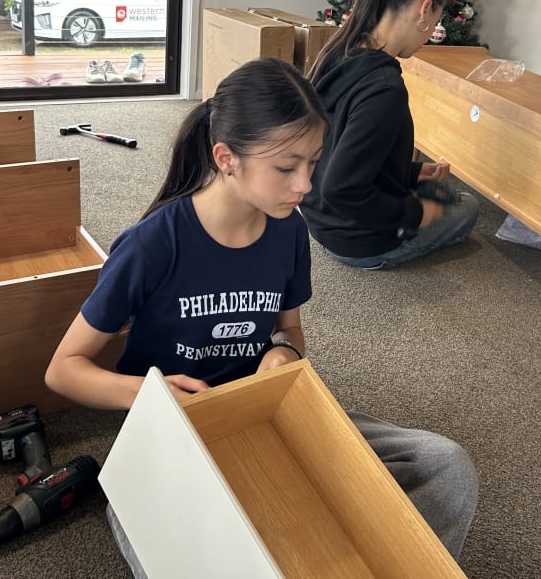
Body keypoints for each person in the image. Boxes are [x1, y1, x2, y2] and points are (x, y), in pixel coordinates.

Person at [44, 57, 477, 575]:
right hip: (172, 430)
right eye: (286, 168)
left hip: (262, 413)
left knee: (447, 468)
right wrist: (149, 393)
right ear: (226, 158)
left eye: (313, 163)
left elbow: (288, 328)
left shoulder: (289, 230)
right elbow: (63, 369)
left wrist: (283, 353)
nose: (306, 185)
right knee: (203, 553)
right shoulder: (152, 245)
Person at [302, 0, 480, 270]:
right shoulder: (384, 88)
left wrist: (409, 172)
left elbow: (338, 149)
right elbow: (341, 188)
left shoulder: (340, 51)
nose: (430, 35)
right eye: (436, 21)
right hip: (356, 240)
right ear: (424, 9)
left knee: (438, 192)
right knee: (468, 206)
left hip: (317, 218)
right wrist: (415, 214)